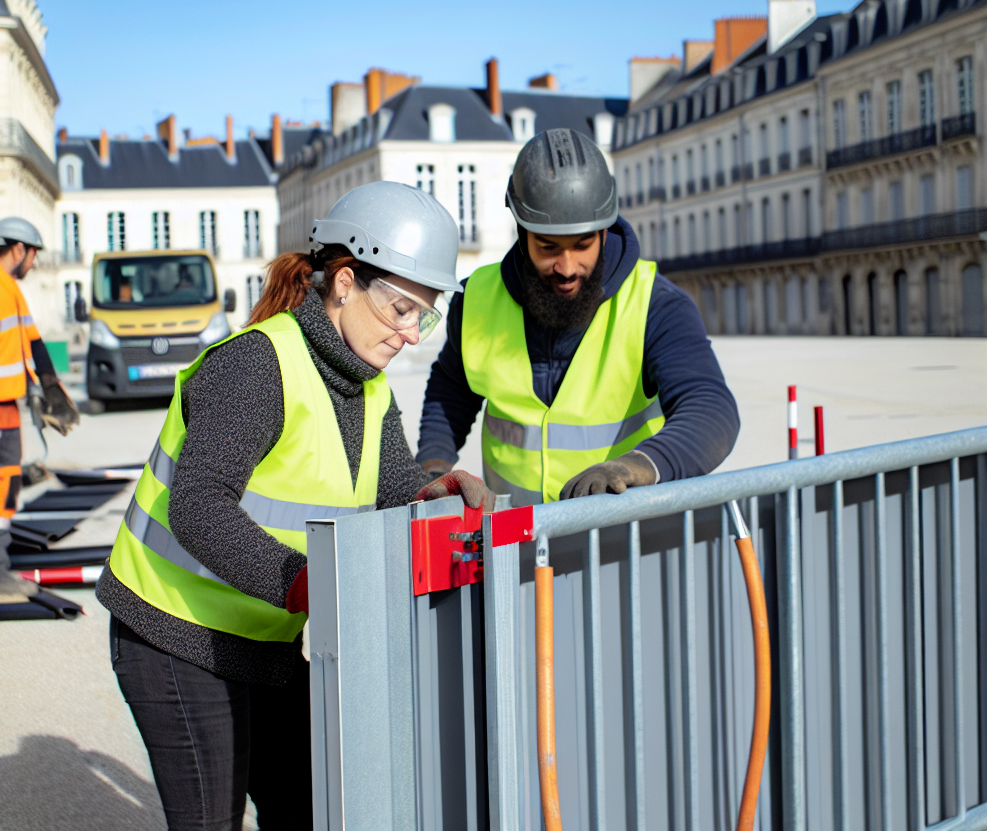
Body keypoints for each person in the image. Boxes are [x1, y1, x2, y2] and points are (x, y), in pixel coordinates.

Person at [98, 182, 487, 831]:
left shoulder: (368, 388)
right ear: (343, 281)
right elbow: (196, 506)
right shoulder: (257, 365)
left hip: (272, 637)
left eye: (426, 314)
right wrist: (309, 584)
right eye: (401, 309)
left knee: (310, 810)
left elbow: (391, 493)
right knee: (208, 820)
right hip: (176, 634)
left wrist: (433, 494)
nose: (412, 334)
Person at [417, 128, 740, 505]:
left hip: (624, 540)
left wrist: (638, 465)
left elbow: (710, 408)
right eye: (549, 247)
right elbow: (451, 390)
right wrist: (434, 467)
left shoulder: (655, 303)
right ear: (522, 234)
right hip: (515, 542)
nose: (567, 267)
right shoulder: (475, 297)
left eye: (583, 245)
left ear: (605, 231)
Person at [0, 218, 80, 625]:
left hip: (7, 407)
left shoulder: (11, 290)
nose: (34, 261)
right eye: (33, 253)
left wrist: (50, 388)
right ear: (18, 248)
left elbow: (33, 342)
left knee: (6, 489)